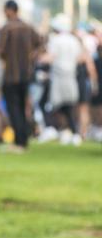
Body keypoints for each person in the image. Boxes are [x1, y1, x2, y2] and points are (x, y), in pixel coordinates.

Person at [0, 0, 40, 152]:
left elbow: (0, 51)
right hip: (25, 75)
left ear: (9, 10)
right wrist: (31, 57)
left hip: (10, 75)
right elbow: (41, 44)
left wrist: (7, 58)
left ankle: (19, 141)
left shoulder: (7, 28)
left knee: (13, 109)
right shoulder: (28, 27)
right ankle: (24, 140)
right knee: (22, 108)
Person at [44, 14, 86, 146]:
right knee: (68, 107)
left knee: (53, 105)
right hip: (71, 77)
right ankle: (71, 132)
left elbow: (51, 57)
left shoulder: (56, 40)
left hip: (59, 77)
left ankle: (51, 129)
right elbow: (81, 58)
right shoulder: (74, 40)